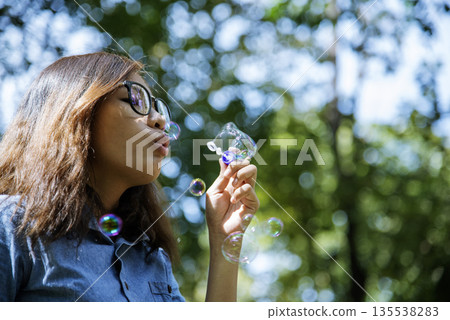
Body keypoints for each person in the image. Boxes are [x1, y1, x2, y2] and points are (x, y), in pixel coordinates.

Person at [0, 52, 259, 302]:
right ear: (75, 112)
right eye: (136, 99)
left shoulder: (151, 259)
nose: (159, 120)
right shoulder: (13, 226)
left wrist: (225, 238)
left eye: (159, 108)